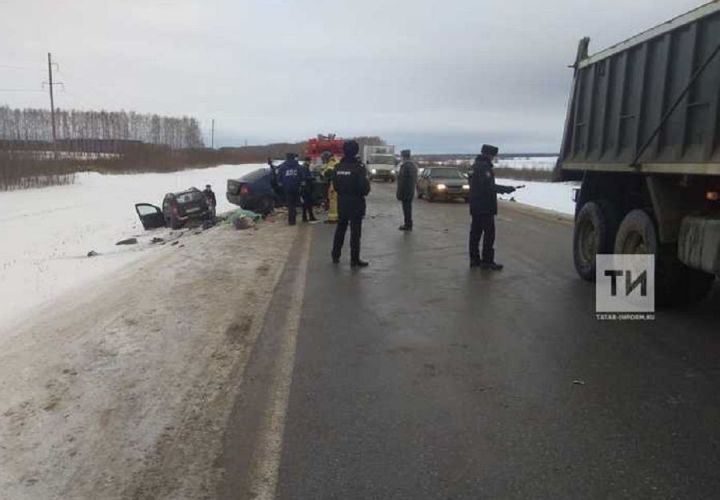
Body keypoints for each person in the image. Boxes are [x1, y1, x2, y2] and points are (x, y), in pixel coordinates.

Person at [468, 144, 516, 270]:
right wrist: (505, 189)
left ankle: (474, 260)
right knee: (489, 234)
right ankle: (487, 262)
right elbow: (488, 187)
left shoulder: (474, 166)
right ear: (489, 155)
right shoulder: (484, 168)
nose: (493, 158)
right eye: (493, 156)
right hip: (485, 206)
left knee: (475, 233)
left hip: (475, 205)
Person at [331, 140, 371, 267]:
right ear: (356, 151)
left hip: (342, 201)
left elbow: (335, 186)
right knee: (355, 232)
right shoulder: (359, 168)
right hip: (356, 203)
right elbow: (363, 189)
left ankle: (335, 255)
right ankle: (354, 259)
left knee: (340, 229)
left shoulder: (338, 167)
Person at [277, 153, 304, 225]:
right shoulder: (298, 166)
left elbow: (279, 179)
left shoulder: (283, 166)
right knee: (295, 203)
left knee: (290, 204)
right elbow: (302, 176)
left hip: (287, 188)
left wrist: (281, 184)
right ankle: (294, 217)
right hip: (296, 187)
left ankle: (291, 221)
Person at [396, 149, 418, 231]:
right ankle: (408, 224)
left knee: (407, 209)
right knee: (407, 208)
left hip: (406, 191)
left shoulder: (406, 166)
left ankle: (408, 225)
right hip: (410, 190)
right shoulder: (413, 165)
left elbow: (403, 181)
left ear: (403, 156)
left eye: (401, 156)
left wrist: (399, 193)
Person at [322, 151, 340, 223]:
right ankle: (337, 217)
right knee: (336, 201)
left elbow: (328, 173)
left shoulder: (331, 162)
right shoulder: (336, 160)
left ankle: (333, 219)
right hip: (337, 183)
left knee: (333, 201)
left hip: (333, 184)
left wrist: (322, 173)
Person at [300, 157, 317, 222]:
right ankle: (308, 217)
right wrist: (312, 177)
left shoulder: (304, 167)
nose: (310, 163)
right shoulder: (305, 167)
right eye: (310, 161)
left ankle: (307, 217)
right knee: (308, 203)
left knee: (306, 203)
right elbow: (305, 177)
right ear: (307, 161)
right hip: (306, 188)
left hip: (305, 188)